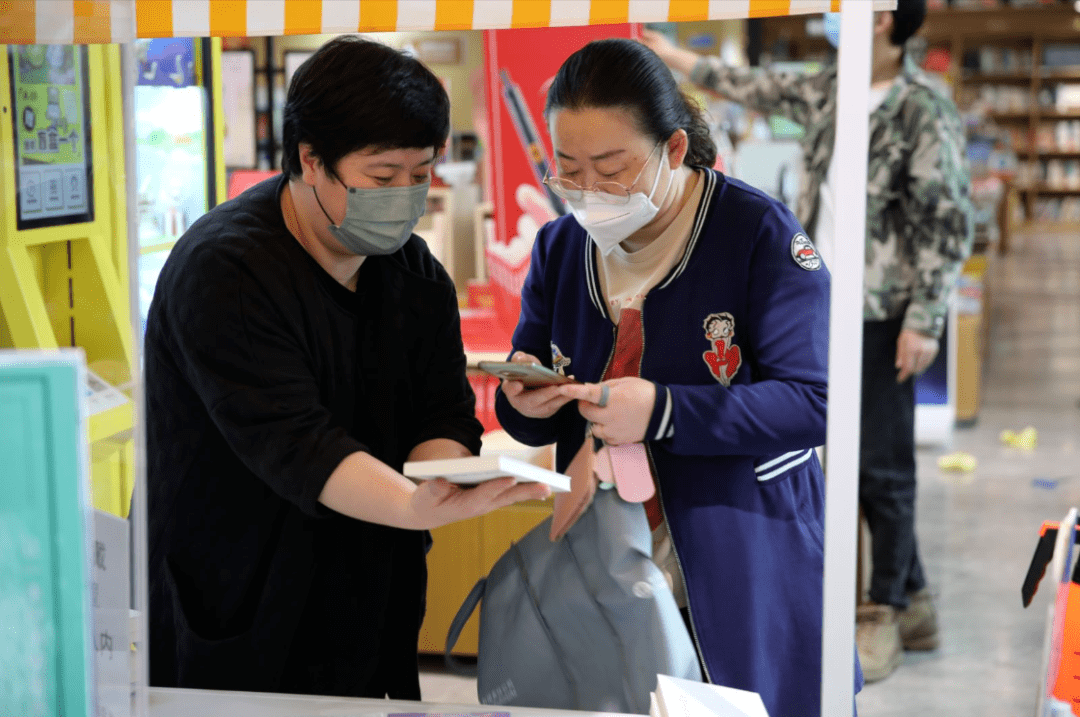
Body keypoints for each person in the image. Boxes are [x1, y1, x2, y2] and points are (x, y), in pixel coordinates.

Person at [145, 36, 550, 698]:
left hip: (370, 598)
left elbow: (442, 411)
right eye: (383, 178)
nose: (407, 195)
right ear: (310, 160)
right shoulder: (225, 271)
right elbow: (296, 442)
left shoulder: (416, 277)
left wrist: (441, 476)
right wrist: (417, 503)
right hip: (241, 602)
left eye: (422, 174)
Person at [494, 38, 861, 717]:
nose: (589, 191)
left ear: (672, 148)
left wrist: (664, 409)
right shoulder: (561, 246)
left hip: (744, 556)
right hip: (610, 558)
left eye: (611, 167)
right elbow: (531, 403)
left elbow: (820, 400)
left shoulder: (757, 235)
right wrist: (521, 397)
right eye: (567, 169)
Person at [641, 0, 974, 683]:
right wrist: (666, 57)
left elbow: (946, 219)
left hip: (883, 309)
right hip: (818, 303)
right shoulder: (831, 85)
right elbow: (753, 86)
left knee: (882, 463)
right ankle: (913, 600)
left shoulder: (922, 108)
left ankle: (885, 606)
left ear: (882, 18)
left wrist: (925, 317)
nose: (830, 15)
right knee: (848, 459)